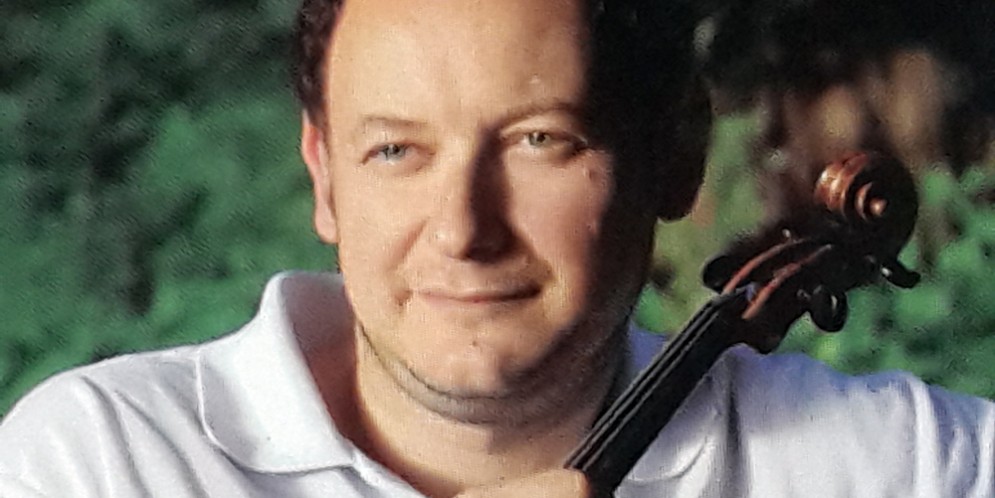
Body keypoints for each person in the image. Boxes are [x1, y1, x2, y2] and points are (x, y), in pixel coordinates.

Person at [0, 0, 992, 497]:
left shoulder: (902, 467)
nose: (461, 231)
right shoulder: (103, 462)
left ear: (675, 156)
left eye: (538, 141)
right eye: (396, 151)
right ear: (325, 177)